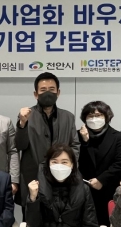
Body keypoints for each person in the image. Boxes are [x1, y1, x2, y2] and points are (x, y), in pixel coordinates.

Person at [15, 72, 79, 206]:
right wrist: (22, 124)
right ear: (36, 94)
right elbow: (20, 145)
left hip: (62, 177)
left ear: (58, 92)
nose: (48, 93)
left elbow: (75, 145)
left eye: (51, 89)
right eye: (43, 90)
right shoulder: (27, 116)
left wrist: (66, 166)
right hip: (32, 177)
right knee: (33, 212)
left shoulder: (68, 117)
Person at [78, 101, 121, 226]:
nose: (94, 119)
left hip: (108, 189)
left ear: (107, 117)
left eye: (98, 115)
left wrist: (101, 180)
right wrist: (85, 142)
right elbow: (74, 160)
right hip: (83, 189)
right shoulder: (77, 135)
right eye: (90, 116)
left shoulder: (118, 137)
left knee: (106, 226)